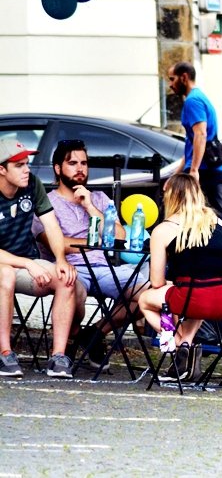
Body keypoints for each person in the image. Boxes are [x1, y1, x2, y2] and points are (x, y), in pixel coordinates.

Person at [31, 140, 150, 371]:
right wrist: (93, 242)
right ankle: (73, 337)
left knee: (149, 292)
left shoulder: (99, 199)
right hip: (70, 268)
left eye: (84, 163)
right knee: (72, 288)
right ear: (57, 168)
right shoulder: (47, 203)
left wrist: (89, 208)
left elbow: (120, 236)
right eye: (72, 163)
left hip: (104, 269)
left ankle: (95, 333)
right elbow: (58, 245)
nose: (80, 169)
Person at [138, 173, 222, 382]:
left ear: (171, 197)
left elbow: (157, 282)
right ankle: (185, 352)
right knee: (194, 290)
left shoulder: (164, 229)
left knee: (146, 300)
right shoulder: (217, 221)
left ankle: (177, 342)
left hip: (194, 297)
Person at [0, 139, 79, 378]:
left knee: (66, 279)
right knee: (5, 274)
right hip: (9, 266)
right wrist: (28, 263)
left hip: (23, 262)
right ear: (1, 169)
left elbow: (51, 224)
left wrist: (61, 260)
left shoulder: (32, 185)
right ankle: (4, 353)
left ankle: (57, 357)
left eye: (27, 164)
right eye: (19, 165)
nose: (27, 170)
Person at [167, 61, 222, 224]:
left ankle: (221, 244)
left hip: (206, 168)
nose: (170, 85)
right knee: (205, 213)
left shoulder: (192, 101)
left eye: (172, 79)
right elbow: (191, 144)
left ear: (184, 77)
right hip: (208, 165)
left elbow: (200, 134)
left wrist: (194, 170)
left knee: (211, 215)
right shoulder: (198, 97)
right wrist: (177, 173)